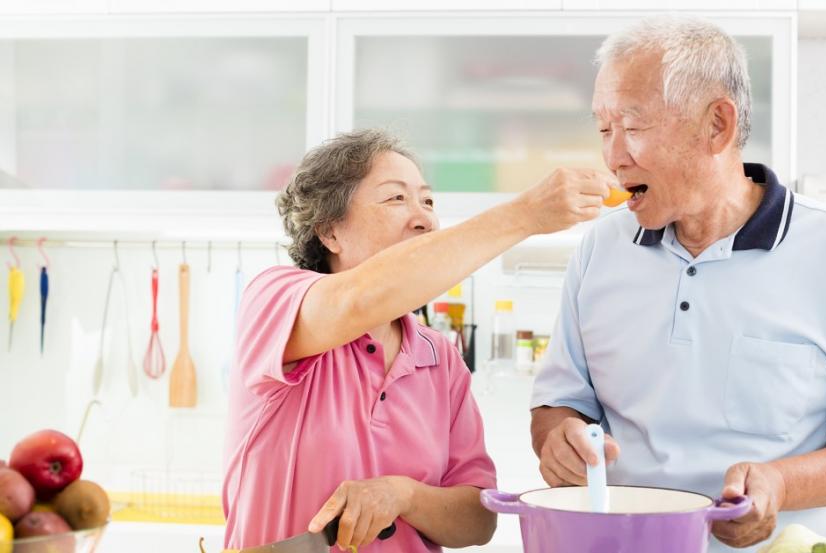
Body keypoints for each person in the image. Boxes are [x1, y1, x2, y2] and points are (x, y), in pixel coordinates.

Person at [529, 16, 826, 551]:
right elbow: (559, 403)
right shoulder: (601, 249)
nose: (614, 156)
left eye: (634, 126)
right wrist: (557, 439)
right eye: (604, 129)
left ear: (718, 125)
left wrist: (781, 483)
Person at [223, 129, 613, 552]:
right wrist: (525, 214)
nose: (424, 217)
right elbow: (359, 300)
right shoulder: (276, 301)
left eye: (428, 201)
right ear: (330, 232)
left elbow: (478, 521)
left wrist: (404, 495)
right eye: (396, 198)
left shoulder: (439, 358)